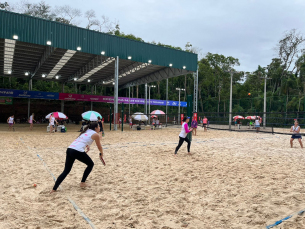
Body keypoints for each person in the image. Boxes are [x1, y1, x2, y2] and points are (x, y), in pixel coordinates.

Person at [50, 122, 104, 193]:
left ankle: (54, 189)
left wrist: (87, 146)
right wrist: (101, 153)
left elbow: (82, 140)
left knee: (66, 171)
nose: (100, 128)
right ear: (95, 128)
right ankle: (83, 183)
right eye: (99, 127)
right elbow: (99, 146)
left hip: (69, 149)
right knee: (90, 164)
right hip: (77, 151)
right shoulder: (96, 134)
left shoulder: (86, 131)